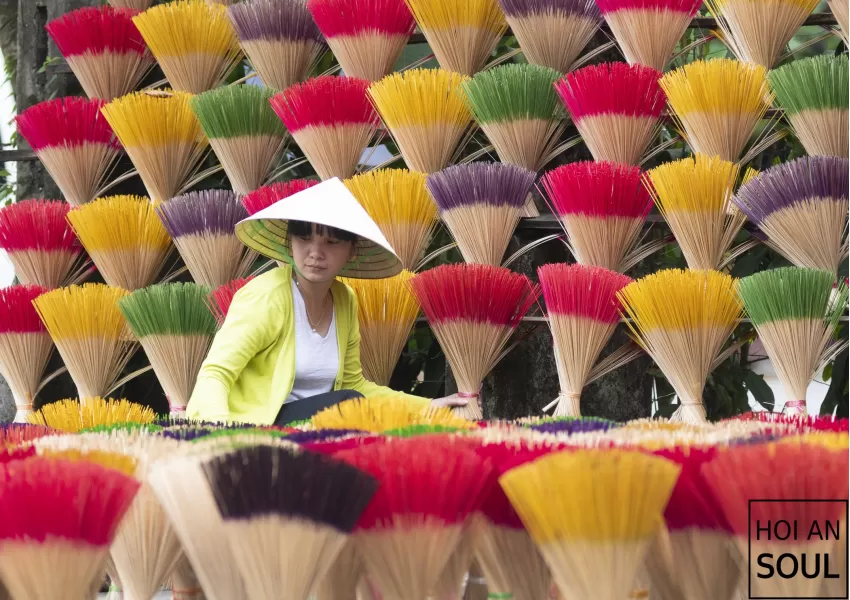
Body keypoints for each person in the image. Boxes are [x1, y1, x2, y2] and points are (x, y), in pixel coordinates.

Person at [186, 178, 464, 425]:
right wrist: (221, 432)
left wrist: (426, 406)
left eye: (331, 242)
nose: (315, 253)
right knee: (348, 404)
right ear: (290, 242)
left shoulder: (344, 300)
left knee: (354, 404)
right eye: (305, 238)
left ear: (351, 251)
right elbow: (216, 374)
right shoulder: (266, 297)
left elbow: (358, 385)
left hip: (320, 425)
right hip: (258, 428)